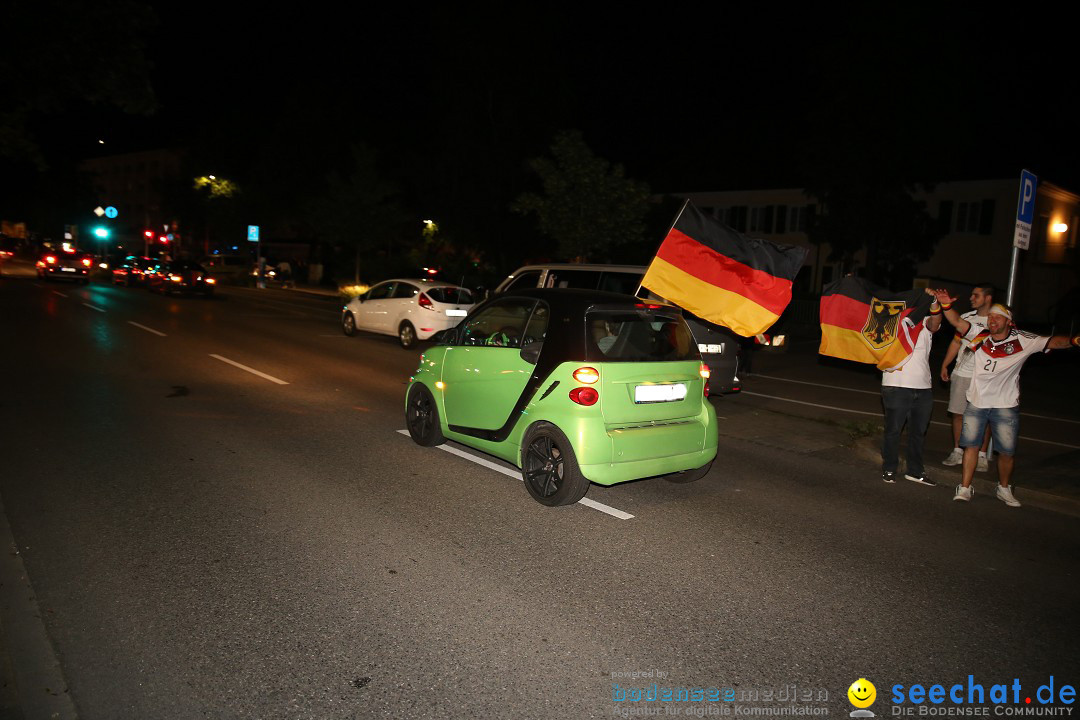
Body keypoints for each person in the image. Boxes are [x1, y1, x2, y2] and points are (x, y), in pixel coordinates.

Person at [932, 290, 1080, 507]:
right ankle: (964, 487)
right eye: (990, 317)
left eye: (997, 317)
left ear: (1008, 321)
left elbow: (1054, 342)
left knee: (1007, 452)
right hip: (976, 401)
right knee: (970, 446)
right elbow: (956, 321)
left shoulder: (1023, 340)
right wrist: (945, 306)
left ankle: (1003, 488)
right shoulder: (979, 334)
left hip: (1005, 405)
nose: (992, 320)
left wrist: (1075, 340)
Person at [880, 290, 942, 485]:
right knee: (893, 431)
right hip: (895, 385)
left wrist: (933, 303)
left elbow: (936, 322)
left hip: (923, 388)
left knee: (918, 432)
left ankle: (915, 471)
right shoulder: (891, 324)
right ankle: (889, 468)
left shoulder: (924, 323)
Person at [940, 283, 994, 470]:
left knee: (984, 417)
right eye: (972, 295)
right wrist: (946, 364)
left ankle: (981, 455)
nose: (971, 298)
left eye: (976, 295)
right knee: (958, 413)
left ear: (988, 298)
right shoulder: (966, 317)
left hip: (985, 377)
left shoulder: (997, 320)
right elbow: (956, 343)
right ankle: (958, 451)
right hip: (962, 372)